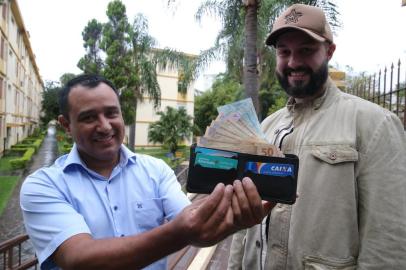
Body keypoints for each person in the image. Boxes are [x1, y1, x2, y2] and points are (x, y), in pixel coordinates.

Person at [20, 74, 274, 270]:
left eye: (112, 113)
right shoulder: (44, 186)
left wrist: (230, 218)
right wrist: (181, 231)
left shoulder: (155, 170)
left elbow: (195, 226)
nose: (105, 126)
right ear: (66, 124)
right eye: (88, 118)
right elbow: (79, 259)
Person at [228, 3, 406, 270]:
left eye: (306, 50)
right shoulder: (266, 127)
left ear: (329, 51)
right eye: (284, 52)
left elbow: (388, 241)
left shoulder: (375, 124)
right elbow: (243, 228)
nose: (293, 62)